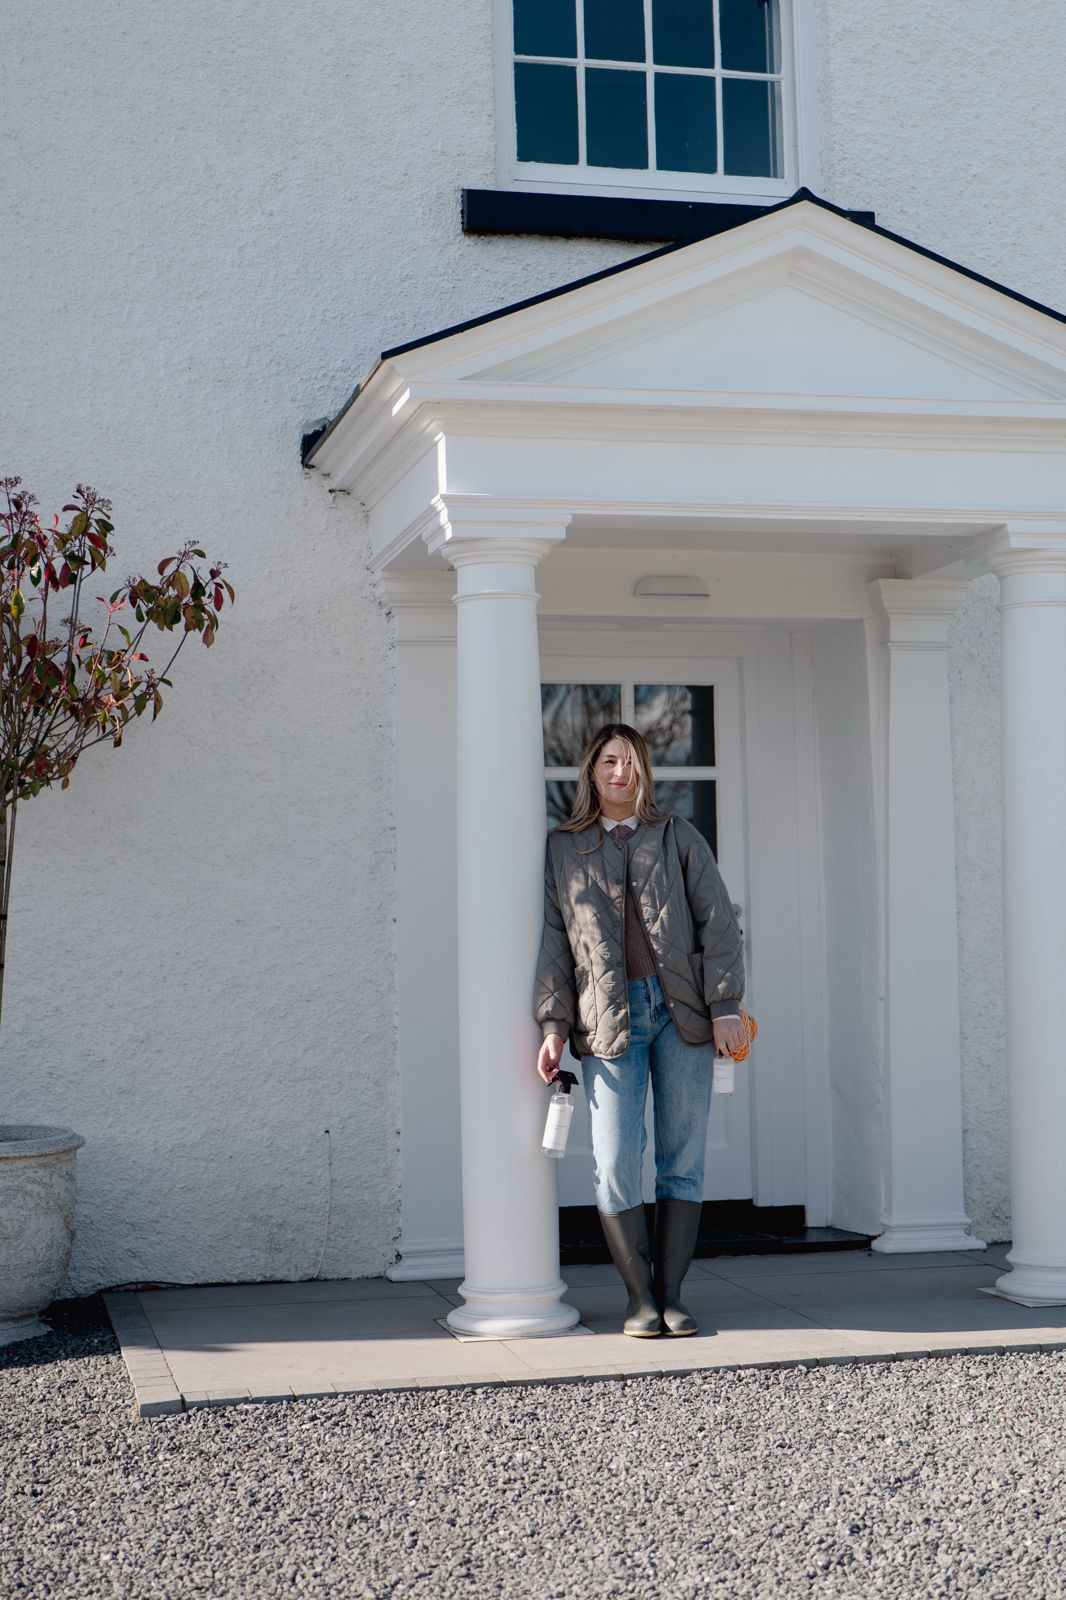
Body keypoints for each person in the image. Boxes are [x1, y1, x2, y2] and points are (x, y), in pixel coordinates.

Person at [534, 723, 745, 1338]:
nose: (619, 772)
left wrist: (726, 1005)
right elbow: (555, 944)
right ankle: (638, 1298)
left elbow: (719, 924)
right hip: (607, 1019)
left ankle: (670, 1295)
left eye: (629, 761)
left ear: (643, 771)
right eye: (607, 761)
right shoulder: (564, 848)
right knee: (615, 1159)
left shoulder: (677, 835)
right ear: (591, 773)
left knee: (682, 1159)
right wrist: (553, 1024)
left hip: (681, 1014)